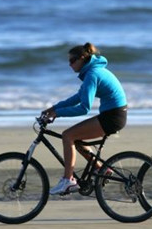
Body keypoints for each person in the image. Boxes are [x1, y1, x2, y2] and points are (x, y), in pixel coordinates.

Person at [42, 42, 128, 195]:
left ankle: (68, 180)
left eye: (72, 61)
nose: (70, 65)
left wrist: (58, 113)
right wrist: (54, 108)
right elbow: (77, 97)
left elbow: (84, 107)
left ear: (82, 58)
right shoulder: (93, 71)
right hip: (114, 114)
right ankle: (101, 168)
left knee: (68, 135)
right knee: (75, 138)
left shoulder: (92, 74)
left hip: (113, 117)